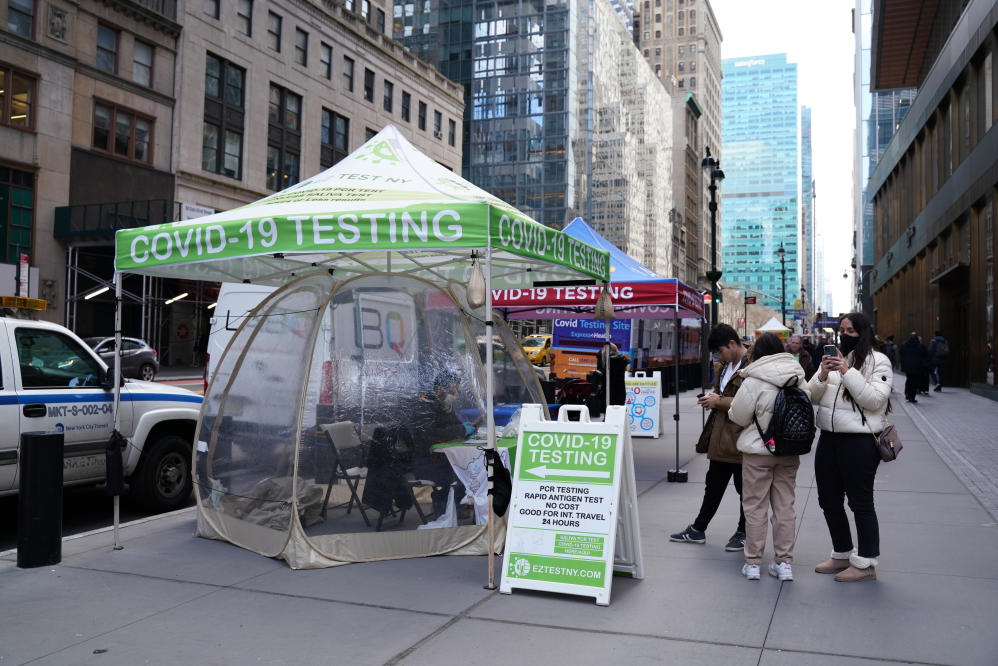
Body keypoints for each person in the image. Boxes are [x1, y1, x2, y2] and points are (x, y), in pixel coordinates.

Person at [808, 312, 893, 582]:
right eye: (842, 329)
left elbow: (875, 401)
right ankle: (842, 552)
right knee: (828, 499)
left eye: (851, 330)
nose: (844, 335)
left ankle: (866, 562)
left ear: (863, 332)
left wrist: (846, 371)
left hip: (860, 441)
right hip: (829, 438)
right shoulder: (833, 361)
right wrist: (822, 374)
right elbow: (810, 395)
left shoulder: (878, 361)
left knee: (860, 502)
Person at [727, 333, 808, 581]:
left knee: (755, 507)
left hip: (758, 452)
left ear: (758, 353)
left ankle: (753, 563)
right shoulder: (797, 376)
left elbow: (738, 416)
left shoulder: (753, 380)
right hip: (788, 451)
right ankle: (783, 563)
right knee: (785, 507)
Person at [670, 324, 749, 552]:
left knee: (745, 489)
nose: (719, 356)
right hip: (720, 435)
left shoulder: (752, 366)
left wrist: (718, 402)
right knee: (713, 485)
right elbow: (724, 395)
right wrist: (712, 400)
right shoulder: (725, 366)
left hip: (740, 437)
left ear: (732, 344)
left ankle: (743, 532)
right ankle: (698, 528)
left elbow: (753, 402)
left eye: (720, 351)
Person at [899, 332, 927, 403]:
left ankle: (907, 394)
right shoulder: (920, 346)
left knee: (909, 380)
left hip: (907, 367)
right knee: (914, 382)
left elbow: (901, 353)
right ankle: (912, 396)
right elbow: (925, 356)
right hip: (917, 367)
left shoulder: (904, 345)